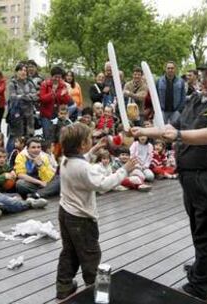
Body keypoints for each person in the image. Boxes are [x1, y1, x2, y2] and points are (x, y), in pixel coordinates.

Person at [131, 46, 207, 301]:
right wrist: (143, 132)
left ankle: (199, 286)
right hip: (194, 176)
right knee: (200, 226)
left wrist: (176, 136)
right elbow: (173, 126)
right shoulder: (197, 99)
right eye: (203, 75)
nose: (203, 80)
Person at [55, 123, 137, 300]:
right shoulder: (84, 169)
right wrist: (124, 170)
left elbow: (82, 158)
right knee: (91, 254)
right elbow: (102, 185)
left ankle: (64, 286)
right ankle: (96, 292)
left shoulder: (65, 159)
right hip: (81, 218)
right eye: (89, 140)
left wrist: (94, 150)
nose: (92, 140)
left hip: (65, 212)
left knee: (69, 251)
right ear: (82, 144)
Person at [0, 144, 48, 214]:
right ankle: (29, 204)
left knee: (15, 196)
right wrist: (7, 199)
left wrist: (10, 197)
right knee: (8, 201)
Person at [6, 62, 39, 152]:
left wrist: (22, 96)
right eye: (21, 70)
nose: (23, 72)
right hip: (16, 116)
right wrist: (27, 96)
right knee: (15, 139)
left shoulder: (30, 83)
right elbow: (13, 98)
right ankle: (10, 160)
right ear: (16, 72)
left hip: (29, 116)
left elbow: (36, 96)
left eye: (25, 70)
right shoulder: (12, 83)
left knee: (29, 138)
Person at [39, 66, 72, 141]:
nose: (57, 79)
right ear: (52, 76)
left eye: (59, 77)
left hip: (58, 115)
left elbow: (66, 101)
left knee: (58, 135)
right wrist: (53, 93)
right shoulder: (45, 84)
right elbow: (42, 99)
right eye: (55, 77)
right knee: (47, 135)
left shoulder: (63, 85)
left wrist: (63, 94)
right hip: (46, 115)